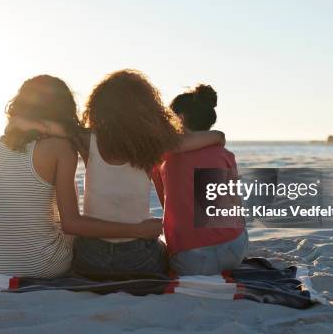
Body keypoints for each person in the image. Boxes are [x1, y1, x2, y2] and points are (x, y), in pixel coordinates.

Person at [11, 70, 225, 275]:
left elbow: (45, 127)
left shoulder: (86, 140)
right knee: (163, 249)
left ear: (99, 106)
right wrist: (219, 136)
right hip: (139, 260)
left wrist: (24, 122)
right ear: (147, 109)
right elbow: (203, 139)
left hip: (90, 259)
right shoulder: (154, 144)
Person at [0, 75, 162, 278]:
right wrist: (138, 231)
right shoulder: (61, 149)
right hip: (46, 266)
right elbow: (71, 224)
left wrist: (22, 122)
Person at [152, 84, 248, 275]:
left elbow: (168, 208)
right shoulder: (225, 154)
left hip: (191, 260)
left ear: (180, 118)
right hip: (234, 251)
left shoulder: (161, 159)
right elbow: (236, 206)